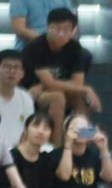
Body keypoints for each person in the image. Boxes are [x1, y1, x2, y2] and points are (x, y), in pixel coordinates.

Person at [20, 8, 101, 146]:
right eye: (56, 29)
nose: (61, 34)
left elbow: (77, 83)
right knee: (57, 97)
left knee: (80, 98)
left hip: (52, 89)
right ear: (48, 27)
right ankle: (55, 148)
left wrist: (81, 90)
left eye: (66, 30)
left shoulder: (75, 48)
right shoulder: (36, 47)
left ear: (73, 31)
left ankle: (83, 143)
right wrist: (86, 89)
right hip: (31, 92)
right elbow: (48, 83)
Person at [55, 114, 112, 188]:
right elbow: (64, 176)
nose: (80, 130)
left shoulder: (94, 155)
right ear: (66, 131)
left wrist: (104, 148)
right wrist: (68, 144)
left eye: (84, 127)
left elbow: (108, 177)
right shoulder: (57, 154)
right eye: (75, 127)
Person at [0, 50, 35, 148]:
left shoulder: (26, 98)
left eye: (16, 67)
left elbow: (29, 129)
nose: (11, 71)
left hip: (18, 150)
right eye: (6, 66)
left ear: (22, 74)